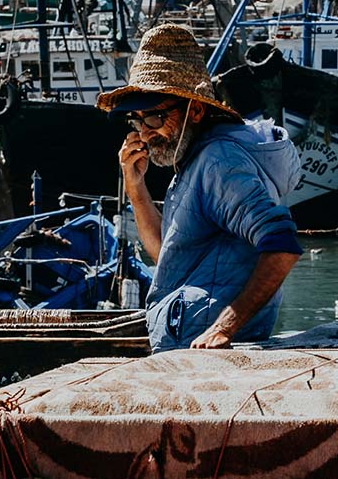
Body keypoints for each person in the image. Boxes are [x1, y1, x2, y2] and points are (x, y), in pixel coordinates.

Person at [98, 24, 303, 351]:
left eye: (153, 117)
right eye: (136, 120)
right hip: (190, 356)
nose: (145, 133)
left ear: (195, 109)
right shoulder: (193, 161)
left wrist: (225, 328)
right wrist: (135, 186)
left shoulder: (218, 161)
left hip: (214, 359)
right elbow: (166, 254)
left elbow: (282, 246)